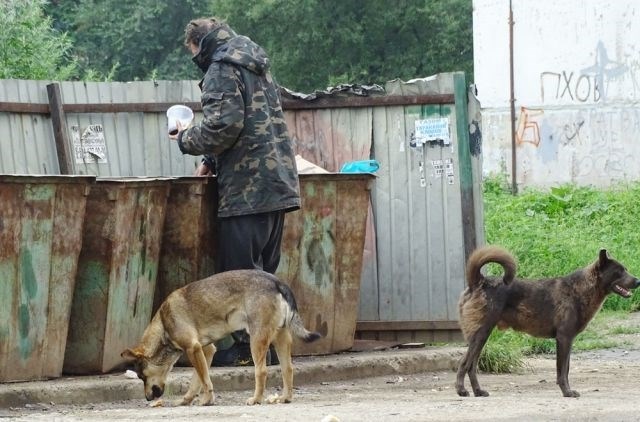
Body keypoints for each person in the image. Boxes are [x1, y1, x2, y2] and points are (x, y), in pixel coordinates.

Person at [170, 17, 301, 366]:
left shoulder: (220, 67)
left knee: (242, 277)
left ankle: (247, 350)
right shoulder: (254, 61)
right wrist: (212, 161)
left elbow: (223, 126)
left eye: (193, 52)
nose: (194, 58)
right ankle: (268, 348)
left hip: (247, 188)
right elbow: (250, 121)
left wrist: (185, 139)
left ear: (200, 43)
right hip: (277, 183)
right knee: (264, 275)